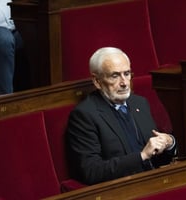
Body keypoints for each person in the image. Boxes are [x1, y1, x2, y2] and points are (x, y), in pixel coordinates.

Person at [65, 47, 177, 185]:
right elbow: (91, 172)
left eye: (127, 73)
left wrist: (169, 143)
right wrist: (142, 156)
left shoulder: (140, 103)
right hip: (122, 188)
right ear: (97, 81)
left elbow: (157, 158)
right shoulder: (84, 115)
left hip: (153, 181)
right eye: (115, 76)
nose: (124, 83)